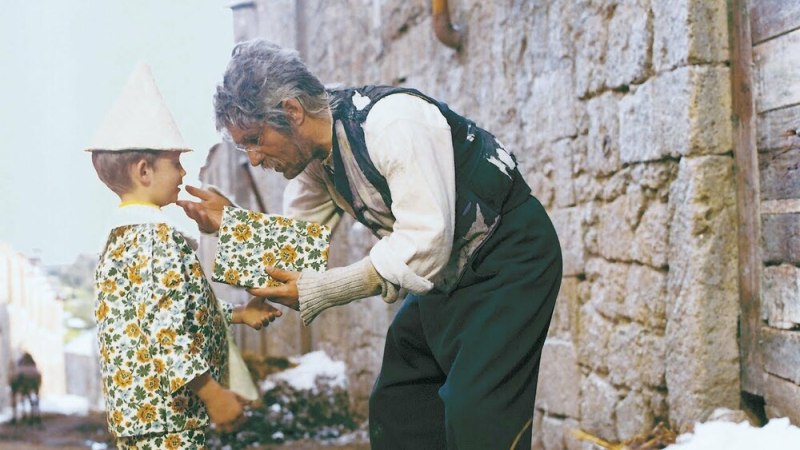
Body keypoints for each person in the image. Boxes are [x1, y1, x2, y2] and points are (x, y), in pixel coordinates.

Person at [180, 39, 562, 449]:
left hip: (508, 258)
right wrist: (231, 226)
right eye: (245, 147)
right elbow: (293, 253)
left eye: (255, 139)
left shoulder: (391, 123)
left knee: (478, 414)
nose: (254, 159)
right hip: (446, 276)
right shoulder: (314, 160)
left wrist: (325, 290)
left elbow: (424, 243)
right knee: (399, 405)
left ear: (292, 111)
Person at [87, 63, 281, 450]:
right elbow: (167, 328)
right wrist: (212, 393)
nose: (182, 172)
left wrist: (238, 313)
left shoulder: (123, 238)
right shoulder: (154, 239)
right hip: (170, 416)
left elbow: (176, 308)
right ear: (144, 171)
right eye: (175, 163)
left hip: (147, 416)